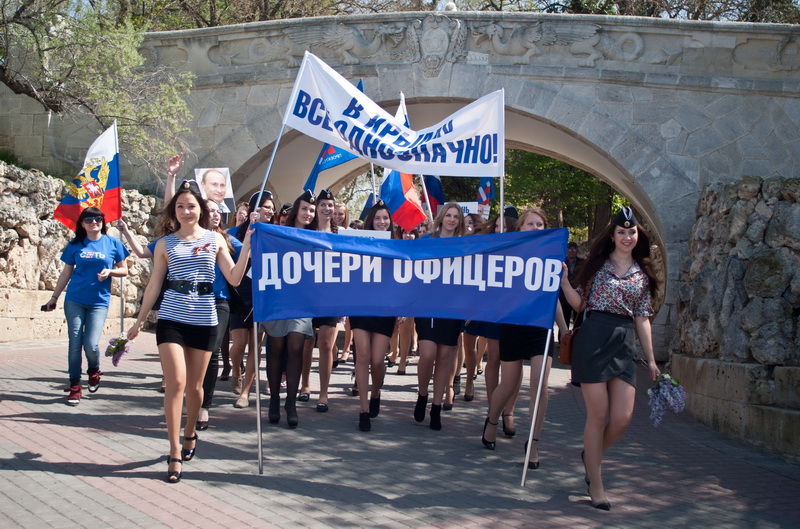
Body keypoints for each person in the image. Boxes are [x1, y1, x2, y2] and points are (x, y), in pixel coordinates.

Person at [126, 180, 252, 484]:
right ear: (174, 210)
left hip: (205, 318)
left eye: (191, 206)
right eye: (180, 206)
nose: (185, 211)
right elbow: (155, 283)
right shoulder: (166, 243)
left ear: (201, 209)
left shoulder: (216, 239)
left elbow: (234, 278)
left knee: (196, 388)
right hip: (171, 317)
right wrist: (139, 320)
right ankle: (173, 451)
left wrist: (247, 244)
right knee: (176, 383)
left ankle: (190, 431)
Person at [560, 206, 660, 510]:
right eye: (621, 231)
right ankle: (597, 484)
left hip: (623, 341)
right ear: (613, 235)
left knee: (621, 419)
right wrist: (565, 282)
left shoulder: (642, 275)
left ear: (636, 235)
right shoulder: (596, 265)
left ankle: (590, 455)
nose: (627, 236)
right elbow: (579, 304)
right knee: (599, 416)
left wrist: (652, 360)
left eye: (631, 232)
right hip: (593, 338)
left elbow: (642, 318)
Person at [481, 208, 568, 470]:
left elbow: (554, 299)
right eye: (530, 223)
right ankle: (492, 421)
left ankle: (534, 443)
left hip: (540, 328)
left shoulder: (553, 257)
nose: (535, 227)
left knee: (539, 385)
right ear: (520, 228)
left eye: (539, 224)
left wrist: (564, 329)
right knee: (508, 384)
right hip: (513, 325)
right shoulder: (508, 255)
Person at [44, 207, 130, 406]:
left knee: (91, 344)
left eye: (98, 218)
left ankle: (94, 369)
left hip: (99, 302)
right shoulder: (75, 245)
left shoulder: (113, 243)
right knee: (75, 343)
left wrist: (110, 272)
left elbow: (124, 270)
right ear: (82, 224)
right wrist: (54, 297)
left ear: (103, 222)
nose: (94, 222)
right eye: (89, 219)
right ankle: (75, 386)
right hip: (74, 299)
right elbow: (66, 272)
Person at [263, 190, 316, 428]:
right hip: (278, 298)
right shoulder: (279, 232)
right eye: (304, 208)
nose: (308, 213)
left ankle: (291, 402)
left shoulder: (317, 237)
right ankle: (274, 399)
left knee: (296, 344)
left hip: (302, 301)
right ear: (297, 210)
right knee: (276, 347)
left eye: (311, 210)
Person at [413, 202, 464, 431]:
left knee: (444, 358)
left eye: (456, 216)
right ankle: (422, 394)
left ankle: (435, 407)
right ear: (442, 218)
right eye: (448, 215)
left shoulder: (465, 245)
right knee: (428, 354)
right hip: (426, 306)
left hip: (452, 309)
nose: (452, 219)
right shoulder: (426, 241)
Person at [349, 200, 399, 432]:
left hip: (385, 309)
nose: (381, 222)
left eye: (385, 218)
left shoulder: (398, 246)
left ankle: (376, 391)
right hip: (359, 305)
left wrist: (401, 307)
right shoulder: (358, 243)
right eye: (377, 218)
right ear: (371, 220)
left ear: (390, 222)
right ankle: (363, 409)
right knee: (363, 356)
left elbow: (404, 279)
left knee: (378, 360)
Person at [197, 198, 243, 429]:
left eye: (219, 211)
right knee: (192, 354)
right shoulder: (182, 237)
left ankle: (204, 406)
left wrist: (255, 237)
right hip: (190, 302)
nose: (216, 215)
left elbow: (237, 270)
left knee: (212, 351)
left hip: (219, 301)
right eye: (211, 210)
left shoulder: (223, 239)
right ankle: (191, 397)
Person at [228, 191, 274, 408]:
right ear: (255, 209)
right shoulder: (234, 233)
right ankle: (236, 371)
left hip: (262, 296)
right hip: (239, 295)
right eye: (266, 206)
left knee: (255, 346)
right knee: (238, 344)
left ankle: (245, 392)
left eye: (272, 208)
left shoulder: (275, 234)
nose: (271, 211)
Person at [300, 189, 340, 412]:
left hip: (331, 296)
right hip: (307, 295)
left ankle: (324, 393)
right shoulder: (306, 232)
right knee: (307, 343)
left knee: (326, 345)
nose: (326, 209)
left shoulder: (340, 236)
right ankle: (305, 385)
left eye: (330, 205)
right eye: (322, 205)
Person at [560, 241, 584, 327]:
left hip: (578, 297)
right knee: (564, 323)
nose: (572, 250)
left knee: (578, 324)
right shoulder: (561, 262)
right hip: (564, 297)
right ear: (567, 250)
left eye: (574, 248)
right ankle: (562, 340)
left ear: (577, 250)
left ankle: (576, 340)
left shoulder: (582, 263)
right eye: (570, 248)